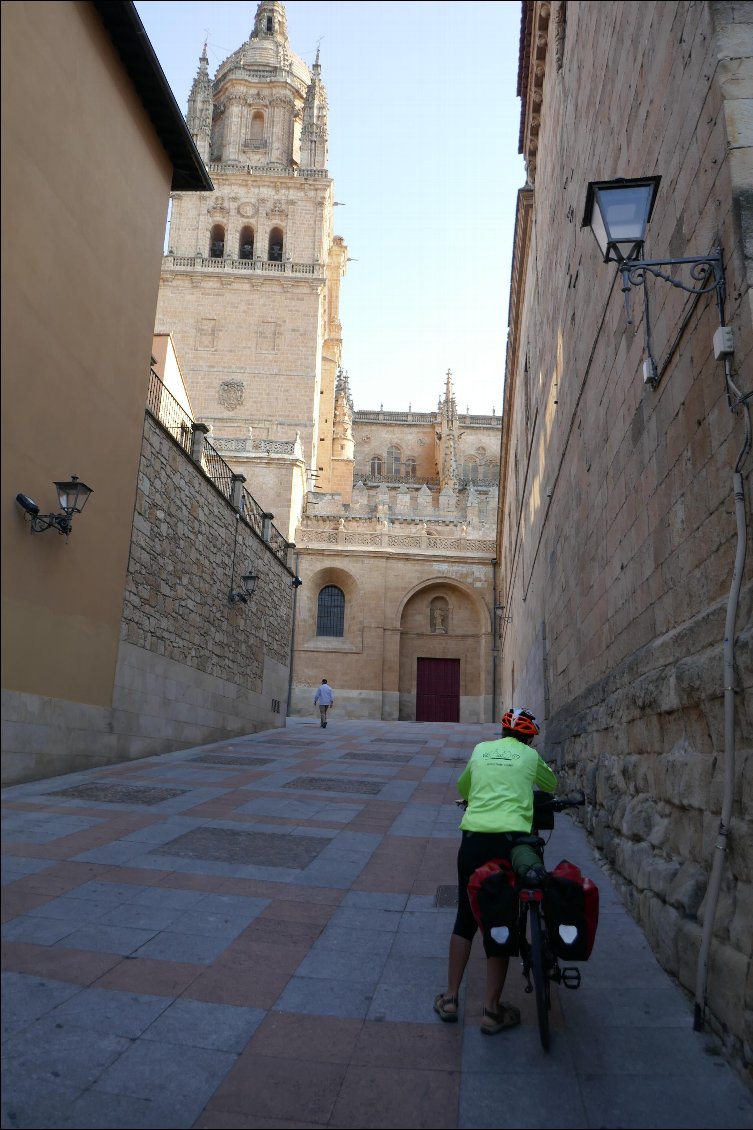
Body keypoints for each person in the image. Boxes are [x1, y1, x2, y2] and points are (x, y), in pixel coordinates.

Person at [434, 707, 557, 1035]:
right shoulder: (530, 756)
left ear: (502, 733)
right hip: (510, 843)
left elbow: (464, 789)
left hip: (473, 839)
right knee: (501, 918)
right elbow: (551, 784)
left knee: (465, 916)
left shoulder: (480, 749)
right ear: (529, 737)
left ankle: (449, 998)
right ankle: (491, 1011)